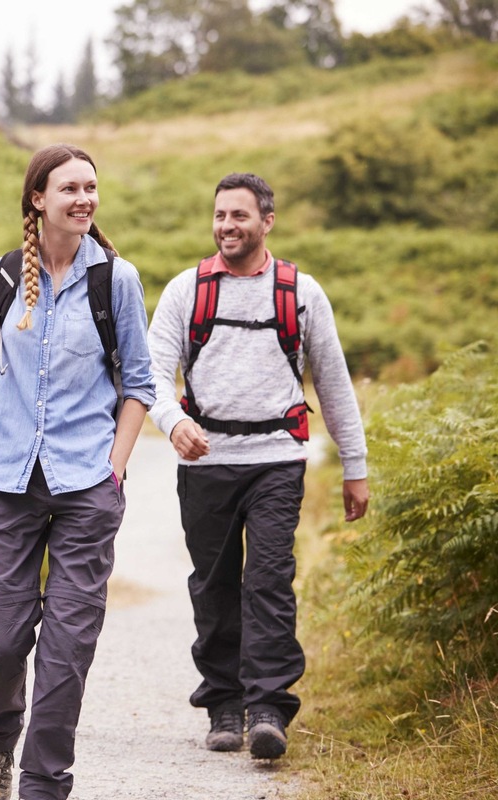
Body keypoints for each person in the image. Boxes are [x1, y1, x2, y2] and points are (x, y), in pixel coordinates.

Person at [0, 144, 155, 800]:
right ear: (39, 199)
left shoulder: (114, 279)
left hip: (87, 484)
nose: (84, 198)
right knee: (1, 641)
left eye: (91, 187)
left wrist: (114, 472)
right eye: (70, 188)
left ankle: (44, 784)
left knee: (66, 648)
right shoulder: (2, 278)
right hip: (3, 483)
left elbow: (139, 385)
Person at [147, 172, 369, 760]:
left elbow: (334, 382)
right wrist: (174, 423)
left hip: (277, 459)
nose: (227, 226)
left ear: (266, 221)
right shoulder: (185, 290)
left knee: (268, 580)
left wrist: (355, 465)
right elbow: (151, 374)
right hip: (206, 461)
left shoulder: (301, 292)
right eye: (220, 215)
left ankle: (268, 707)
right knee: (214, 585)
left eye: (239, 216)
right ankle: (224, 704)